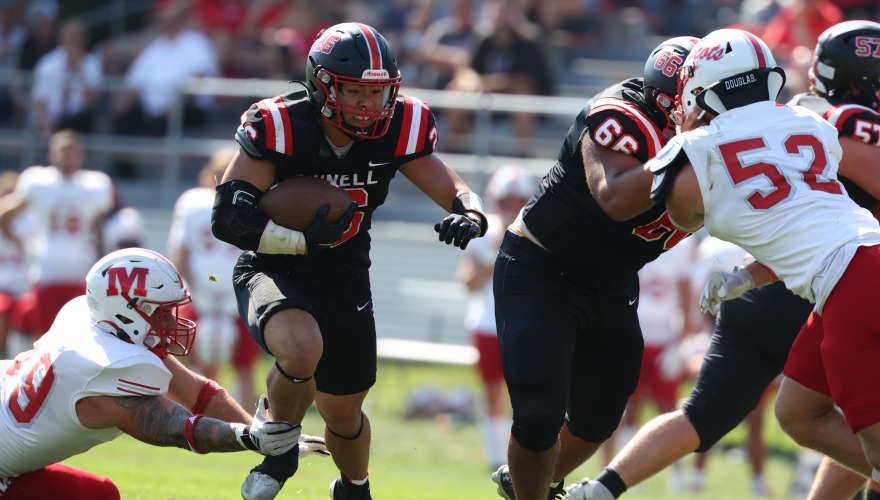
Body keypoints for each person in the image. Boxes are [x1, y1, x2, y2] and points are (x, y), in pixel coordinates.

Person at [210, 22, 488, 500]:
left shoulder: (401, 125)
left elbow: (452, 185)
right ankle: (280, 453)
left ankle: (354, 487)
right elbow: (228, 219)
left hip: (346, 276)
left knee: (342, 410)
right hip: (274, 266)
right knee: (300, 349)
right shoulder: (280, 123)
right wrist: (300, 241)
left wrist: (470, 212)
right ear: (321, 84)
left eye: (376, 92)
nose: (366, 103)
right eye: (354, 90)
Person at [641, 25, 880, 495]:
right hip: (845, 274)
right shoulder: (812, 126)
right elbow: (805, 225)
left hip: (850, 279)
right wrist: (748, 276)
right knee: (798, 413)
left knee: (872, 442)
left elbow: (680, 209)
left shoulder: (815, 120)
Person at [489, 35, 700, 500]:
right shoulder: (623, 115)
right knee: (540, 414)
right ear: (677, 98)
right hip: (542, 267)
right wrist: (694, 144)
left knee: (599, 418)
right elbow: (616, 197)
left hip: (611, 281)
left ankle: (532, 481)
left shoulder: (718, 142)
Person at [0, 247, 330, 499]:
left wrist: (264, 436)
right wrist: (248, 437)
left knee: (99, 494)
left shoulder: (93, 321)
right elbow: (177, 428)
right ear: (125, 311)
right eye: (161, 313)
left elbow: (198, 393)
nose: (172, 323)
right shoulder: (104, 365)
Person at [168, 147, 261, 409]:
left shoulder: (252, 203)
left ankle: (247, 413)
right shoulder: (194, 202)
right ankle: (191, 407)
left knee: (244, 362)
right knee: (189, 355)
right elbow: (181, 250)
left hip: (239, 292)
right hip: (199, 292)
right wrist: (195, 290)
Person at [457, 164, 535, 472]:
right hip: (489, 323)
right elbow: (469, 283)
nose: (512, 207)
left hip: (525, 324)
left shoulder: (536, 231)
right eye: (507, 200)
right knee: (492, 393)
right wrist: (491, 255)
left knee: (529, 393)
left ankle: (525, 455)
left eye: (517, 200)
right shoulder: (483, 229)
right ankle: (496, 457)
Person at [0, 129, 114, 341]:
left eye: (72, 150)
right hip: (47, 270)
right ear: (51, 153)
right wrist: (23, 244)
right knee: (45, 336)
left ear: (81, 154)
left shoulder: (95, 184)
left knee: (81, 337)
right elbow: (5, 215)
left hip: (81, 270)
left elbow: (98, 228)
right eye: (62, 150)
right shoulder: (39, 181)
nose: (67, 155)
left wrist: (100, 261)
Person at [31, 17, 103, 133]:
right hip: (52, 121)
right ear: (62, 37)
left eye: (78, 36)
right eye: (71, 36)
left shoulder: (92, 64)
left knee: (84, 118)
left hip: (79, 123)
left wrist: (79, 71)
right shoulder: (47, 63)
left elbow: (92, 101)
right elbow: (39, 100)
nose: (74, 40)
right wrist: (45, 121)